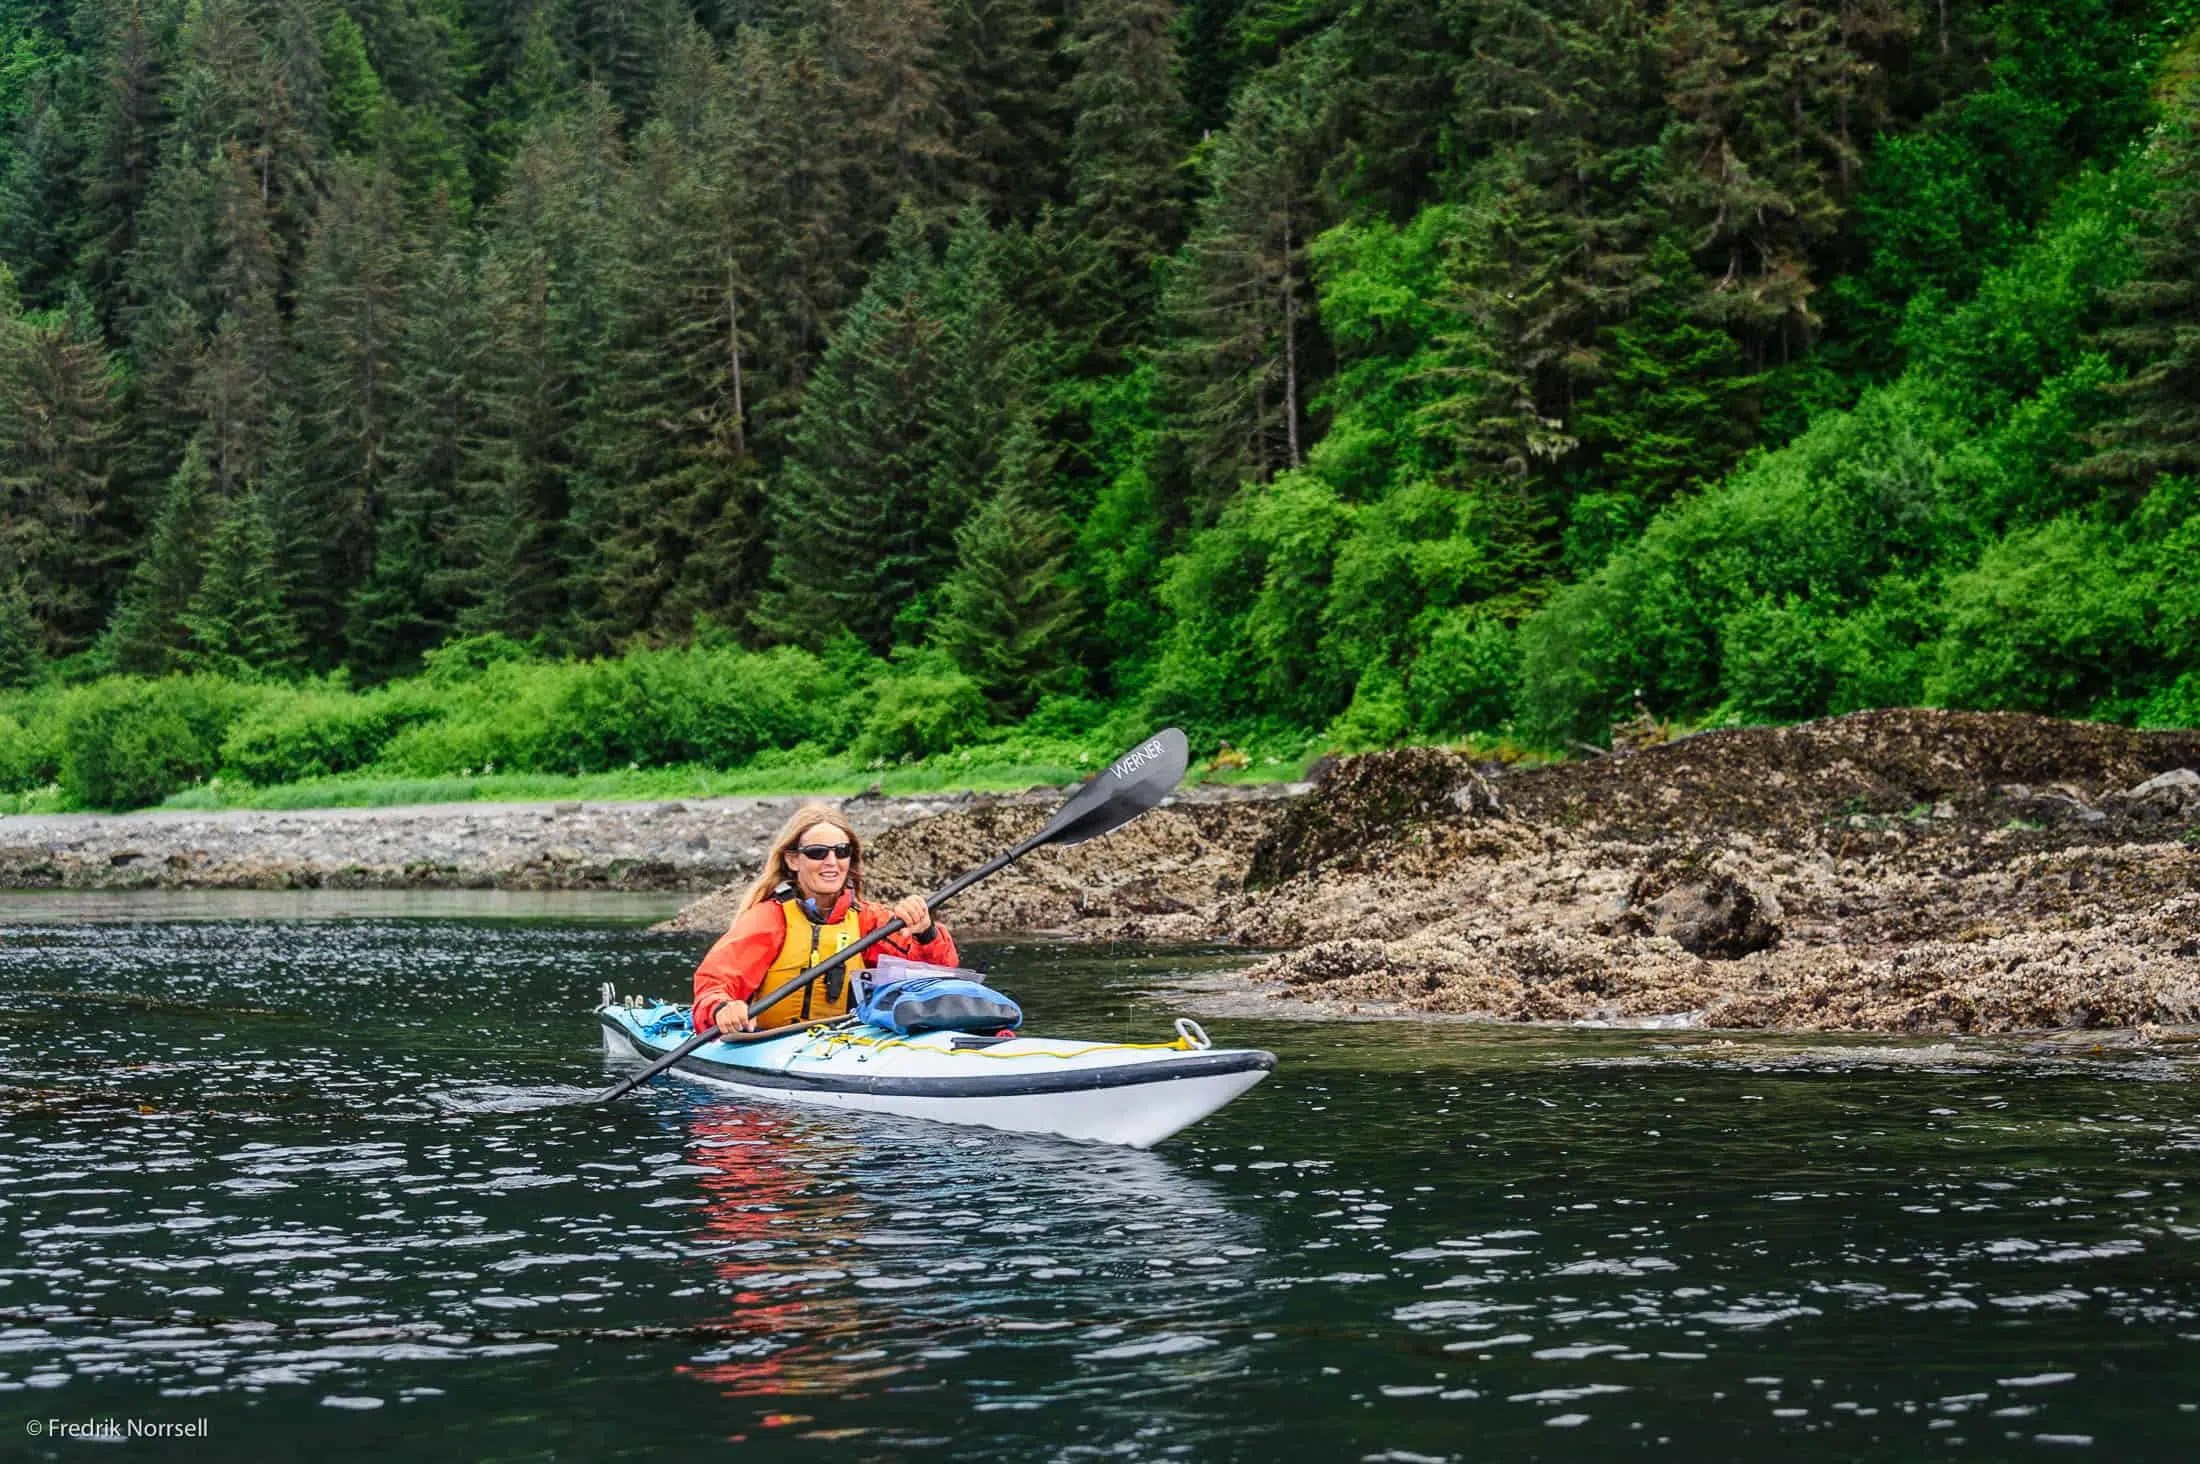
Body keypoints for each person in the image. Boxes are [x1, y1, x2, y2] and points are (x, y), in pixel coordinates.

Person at [692, 802, 956, 1036]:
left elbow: (939, 975)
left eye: (842, 851)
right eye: (818, 852)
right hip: (773, 1041)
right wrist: (722, 1007)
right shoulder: (768, 919)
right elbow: (715, 983)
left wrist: (925, 931)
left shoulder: (867, 920)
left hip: (846, 1043)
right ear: (793, 860)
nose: (832, 861)